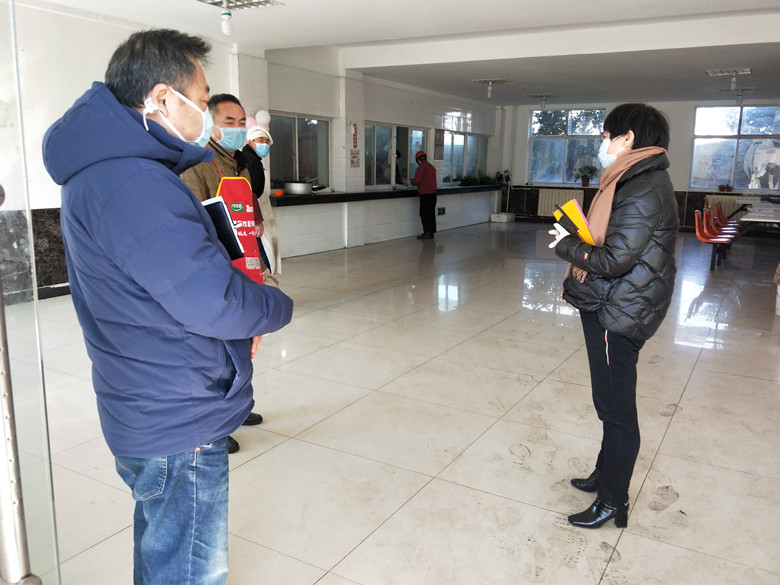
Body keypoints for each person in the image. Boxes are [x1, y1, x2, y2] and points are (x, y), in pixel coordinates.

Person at [42, 29, 294, 585]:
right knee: (187, 569)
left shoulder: (104, 172)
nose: (207, 116)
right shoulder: (134, 182)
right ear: (161, 99)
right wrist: (276, 305)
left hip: (145, 396)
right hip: (177, 412)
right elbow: (214, 302)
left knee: (164, 548)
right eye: (202, 102)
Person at [549, 103, 678, 529]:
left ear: (628, 138)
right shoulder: (635, 179)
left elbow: (613, 259)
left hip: (619, 310)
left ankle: (612, 501)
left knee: (616, 408)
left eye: (607, 136)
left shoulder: (644, 187)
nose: (603, 143)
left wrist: (566, 244)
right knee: (609, 402)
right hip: (617, 302)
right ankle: (605, 473)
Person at [180, 93, 266, 452]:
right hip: (215, 270)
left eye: (241, 122)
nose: (237, 128)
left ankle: (236, 408)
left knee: (242, 346)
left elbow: (246, 207)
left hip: (242, 265)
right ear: (211, 123)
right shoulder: (197, 163)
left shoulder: (238, 162)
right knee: (215, 352)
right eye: (228, 121)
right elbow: (194, 221)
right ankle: (214, 426)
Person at [236, 111, 282, 284]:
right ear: (250, 142)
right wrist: (256, 220)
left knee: (261, 252)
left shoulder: (252, 158)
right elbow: (250, 191)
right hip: (254, 215)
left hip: (257, 213)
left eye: (266, 141)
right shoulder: (250, 161)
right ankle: (267, 286)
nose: (264, 144)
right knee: (262, 255)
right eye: (260, 140)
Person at [409, 150, 437, 239]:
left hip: (425, 195)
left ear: (418, 160)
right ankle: (431, 231)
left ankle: (427, 232)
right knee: (431, 213)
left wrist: (410, 181)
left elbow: (417, 180)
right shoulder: (432, 167)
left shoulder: (421, 168)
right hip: (433, 194)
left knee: (424, 214)